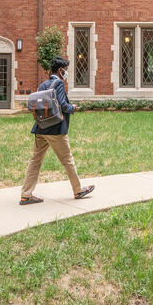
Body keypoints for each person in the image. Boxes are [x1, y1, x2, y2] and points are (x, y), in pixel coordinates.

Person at [20, 56, 94, 205]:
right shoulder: (58, 83)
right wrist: (72, 108)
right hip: (55, 129)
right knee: (67, 160)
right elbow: (63, 105)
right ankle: (78, 190)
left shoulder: (43, 85)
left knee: (35, 161)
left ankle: (26, 195)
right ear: (60, 70)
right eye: (65, 70)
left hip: (40, 128)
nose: (66, 73)